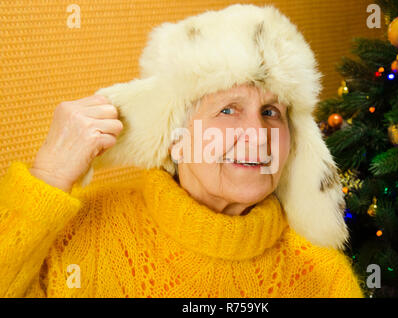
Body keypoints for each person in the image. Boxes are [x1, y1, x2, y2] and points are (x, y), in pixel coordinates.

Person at [0, 4, 364, 298]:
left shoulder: (322, 278)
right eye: (227, 109)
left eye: (271, 112)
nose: (258, 134)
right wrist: (48, 177)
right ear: (176, 137)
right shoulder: (79, 235)